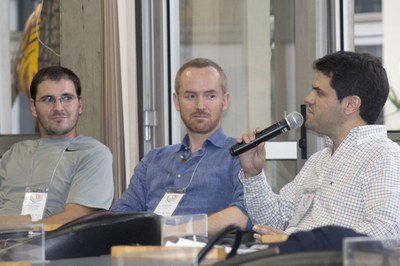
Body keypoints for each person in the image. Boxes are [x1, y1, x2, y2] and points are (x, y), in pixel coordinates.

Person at [237, 51, 400, 240]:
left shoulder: (383, 154)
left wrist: (303, 243)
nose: (308, 98)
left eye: (319, 92)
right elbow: (274, 222)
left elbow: (387, 230)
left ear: (350, 104)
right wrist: (253, 174)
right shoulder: (320, 160)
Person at [111, 58, 250, 235]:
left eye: (210, 96)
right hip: (148, 254)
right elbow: (120, 214)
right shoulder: (153, 160)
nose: (200, 106)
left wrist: (175, 231)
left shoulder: (240, 154)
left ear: (225, 101)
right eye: (190, 96)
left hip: (208, 256)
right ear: (176, 101)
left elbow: (244, 214)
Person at [0, 66, 114, 224]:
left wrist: (19, 231)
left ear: (80, 105)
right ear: (33, 107)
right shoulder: (16, 152)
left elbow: (76, 218)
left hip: (49, 245)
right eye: (48, 99)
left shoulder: (92, 153)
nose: (58, 107)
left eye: (67, 98)